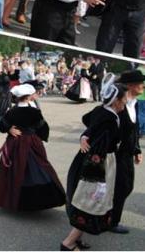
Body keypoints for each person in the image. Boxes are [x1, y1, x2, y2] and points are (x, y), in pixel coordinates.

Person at [62, 75, 128, 250]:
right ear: (116, 101)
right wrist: (98, 178)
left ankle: (76, 239)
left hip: (93, 159)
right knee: (91, 201)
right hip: (98, 164)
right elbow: (100, 145)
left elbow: (87, 119)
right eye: (124, 99)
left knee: (89, 200)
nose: (125, 103)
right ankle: (68, 243)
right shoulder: (110, 119)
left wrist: (86, 135)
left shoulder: (102, 110)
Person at [0, 83, 65, 211]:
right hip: (31, 142)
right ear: (28, 97)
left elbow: (2, 125)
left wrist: (9, 129)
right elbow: (42, 127)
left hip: (14, 143)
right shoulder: (34, 112)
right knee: (38, 167)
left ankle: (12, 198)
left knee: (15, 170)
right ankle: (36, 199)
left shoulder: (11, 111)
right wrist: (40, 136)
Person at [110, 70, 144, 234]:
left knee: (125, 187)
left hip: (127, 153)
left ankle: (108, 218)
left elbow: (134, 129)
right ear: (130, 85)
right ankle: (111, 221)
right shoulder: (117, 103)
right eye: (140, 83)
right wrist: (85, 137)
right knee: (121, 187)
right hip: (115, 154)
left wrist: (137, 149)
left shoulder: (135, 103)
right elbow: (96, 119)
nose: (143, 86)